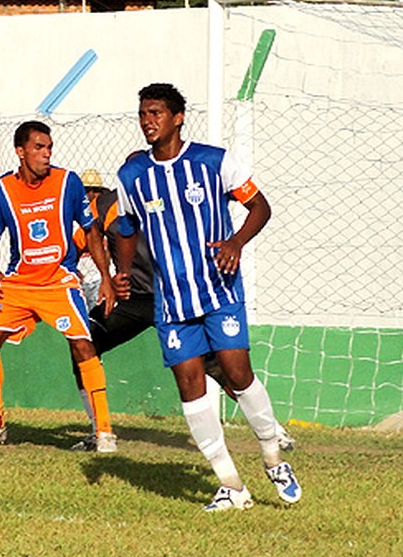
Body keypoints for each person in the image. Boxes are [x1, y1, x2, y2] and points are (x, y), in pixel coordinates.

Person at [115, 82, 301, 511]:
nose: (148, 121)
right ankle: (231, 485)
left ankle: (273, 454)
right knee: (190, 385)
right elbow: (126, 227)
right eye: (143, 113)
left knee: (237, 373)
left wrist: (235, 243)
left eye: (157, 112)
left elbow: (261, 207)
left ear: (178, 117)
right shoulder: (132, 175)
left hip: (219, 290)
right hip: (173, 302)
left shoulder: (213, 162)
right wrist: (121, 272)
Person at [69, 168, 295, 453]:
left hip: (174, 298)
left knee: (221, 366)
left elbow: (78, 242)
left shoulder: (159, 197)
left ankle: (273, 430)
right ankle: (100, 432)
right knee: (84, 343)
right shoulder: (113, 204)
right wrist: (103, 278)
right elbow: (82, 239)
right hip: (138, 298)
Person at [0, 120, 118, 452]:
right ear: (20, 152)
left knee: (83, 347)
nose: (46, 154)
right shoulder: (1, 189)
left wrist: (106, 279)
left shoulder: (67, 182)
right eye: (38, 148)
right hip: (18, 283)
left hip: (59, 282)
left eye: (49, 148)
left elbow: (91, 231)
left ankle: (104, 432)